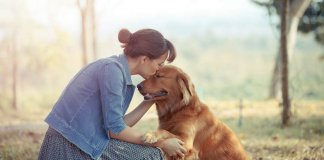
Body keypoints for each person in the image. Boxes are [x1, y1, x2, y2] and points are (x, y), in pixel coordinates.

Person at [38, 28, 187, 160]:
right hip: (68, 146)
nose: (158, 70)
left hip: (85, 142)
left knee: (149, 153)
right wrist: (161, 142)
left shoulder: (118, 72)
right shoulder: (112, 70)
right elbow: (115, 131)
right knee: (151, 155)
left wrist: (149, 101)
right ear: (144, 59)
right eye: (159, 64)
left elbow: (117, 125)